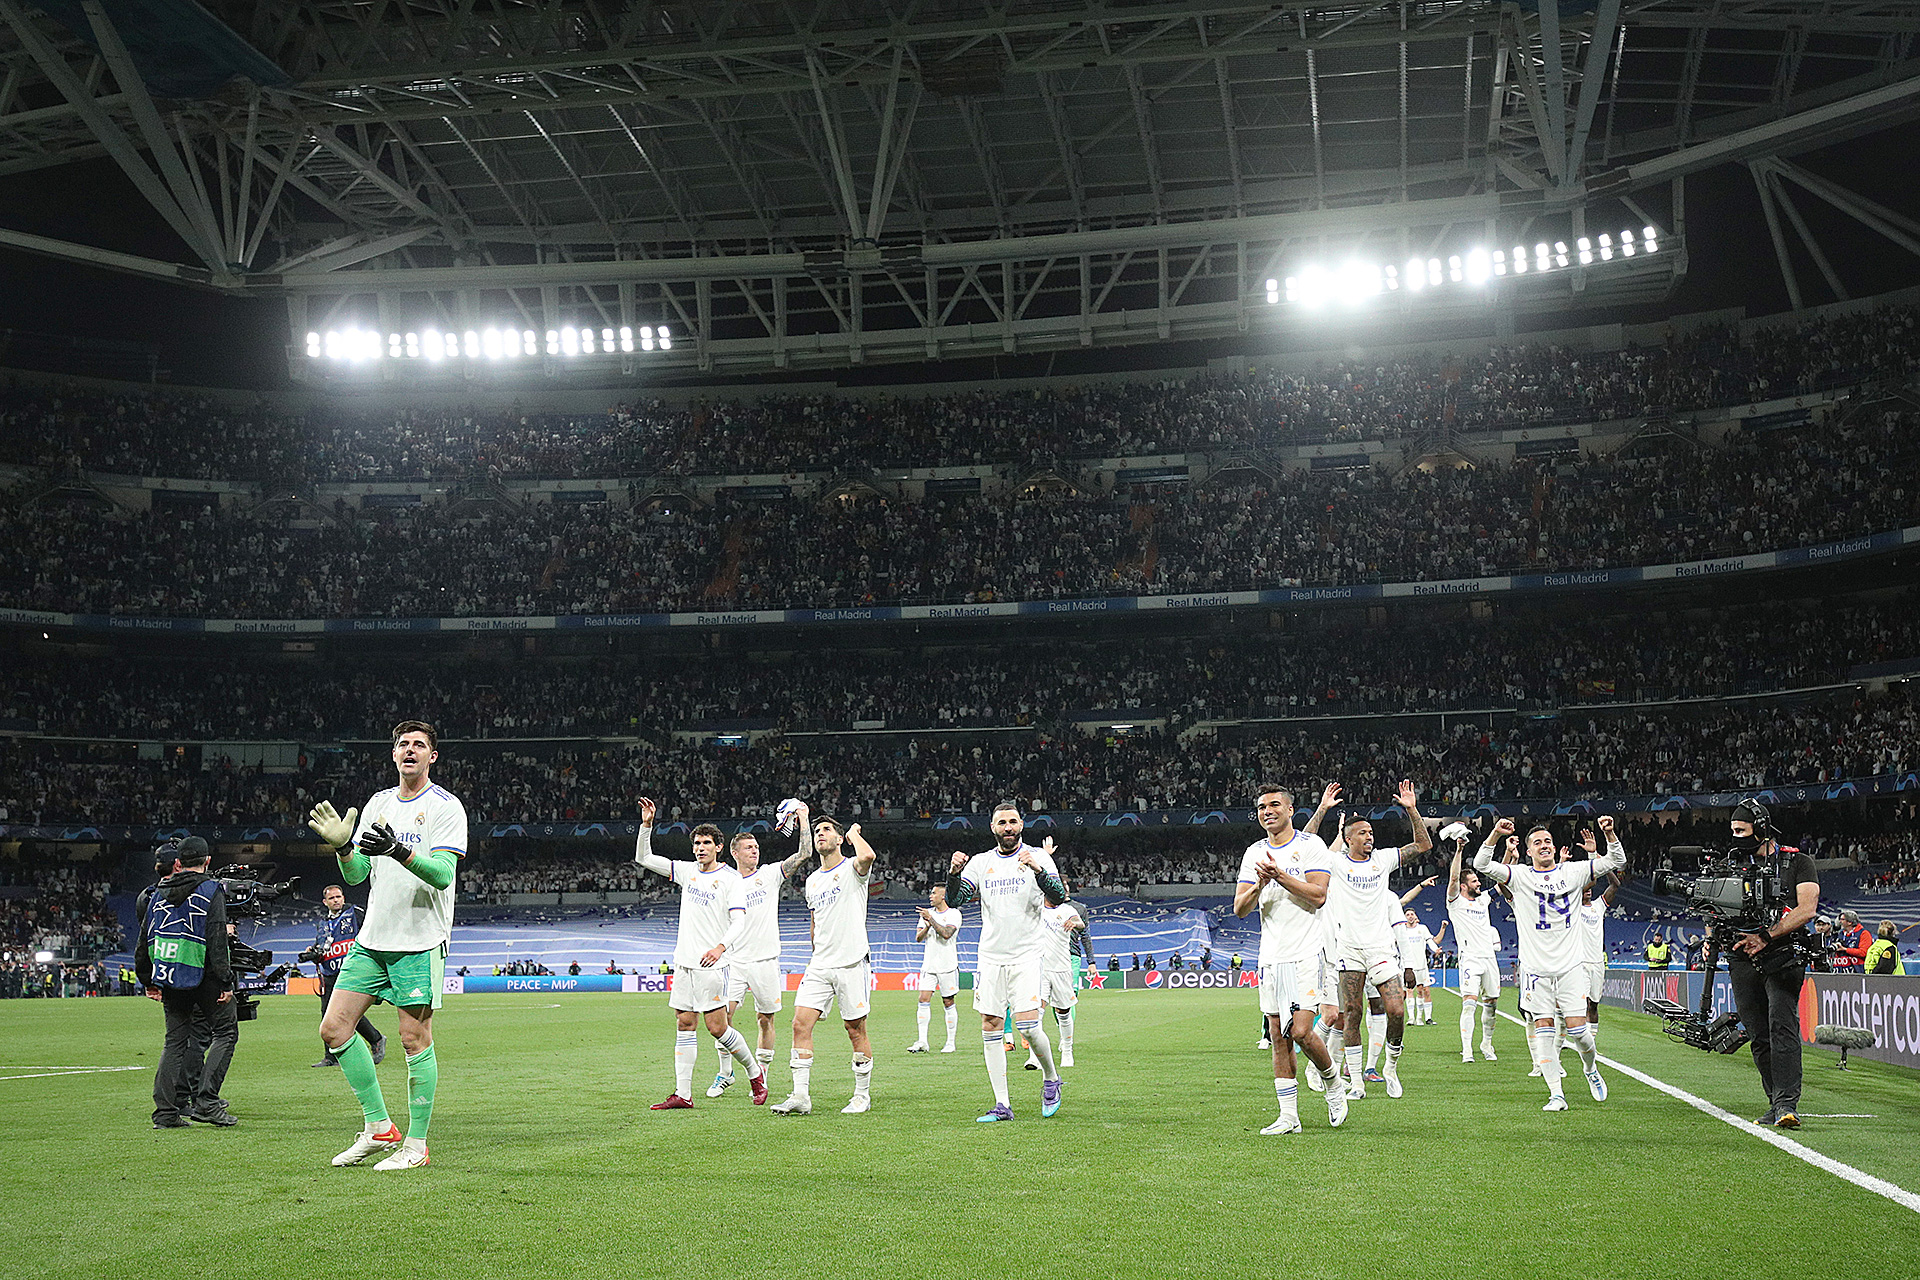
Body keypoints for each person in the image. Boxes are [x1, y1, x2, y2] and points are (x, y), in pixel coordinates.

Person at [305, 721, 466, 1171]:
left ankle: (416, 1145)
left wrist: (399, 850)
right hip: (373, 938)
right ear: (393, 755)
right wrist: (342, 849)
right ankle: (379, 1128)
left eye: (419, 745)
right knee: (334, 1028)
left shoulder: (446, 808)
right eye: (403, 745)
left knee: (414, 1040)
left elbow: (442, 875)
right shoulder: (378, 803)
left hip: (419, 939)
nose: (410, 751)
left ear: (432, 757)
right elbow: (357, 876)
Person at [1473, 816, 1625, 1112]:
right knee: (1543, 1027)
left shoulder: (1574, 871)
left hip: (1570, 968)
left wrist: (1609, 833)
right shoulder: (1520, 876)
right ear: (1528, 851)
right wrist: (1494, 833)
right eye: (1537, 842)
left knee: (1579, 1032)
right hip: (1535, 970)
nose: (1544, 845)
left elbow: (1617, 859)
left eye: (1547, 841)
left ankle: (1590, 1068)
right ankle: (1556, 1094)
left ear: (1554, 848)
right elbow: (1481, 863)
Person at [632, 804, 768, 1110]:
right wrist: (647, 826)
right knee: (684, 1023)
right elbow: (643, 858)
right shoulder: (687, 871)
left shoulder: (732, 880)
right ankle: (684, 1094)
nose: (700, 848)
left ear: (719, 847)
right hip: (685, 962)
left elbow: (740, 921)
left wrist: (720, 947)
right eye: (696, 843)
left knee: (717, 1028)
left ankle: (755, 1073)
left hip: (712, 964)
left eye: (706, 843)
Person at [1233, 784, 1348, 1135]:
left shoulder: (1309, 846)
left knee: (1300, 1031)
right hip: (1270, 957)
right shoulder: (1254, 852)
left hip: (1305, 953)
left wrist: (1279, 876)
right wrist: (1260, 884)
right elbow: (1239, 908)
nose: (1267, 811)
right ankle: (1288, 1117)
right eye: (1261, 807)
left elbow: (1319, 896)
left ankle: (1333, 1083)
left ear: (1289, 809)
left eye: (1274, 805)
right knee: (1277, 1036)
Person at [946, 802, 1068, 1121]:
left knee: (1028, 1026)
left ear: (1022, 825)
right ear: (993, 828)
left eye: (1013, 822)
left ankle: (1051, 1078)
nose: (1008, 827)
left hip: (1027, 954)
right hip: (990, 957)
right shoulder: (981, 862)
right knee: (991, 1026)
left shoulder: (1037, 857)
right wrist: (953, 875)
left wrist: (1039, 871)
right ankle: (1003, 1105)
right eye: (1002, 823)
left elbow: (1059, 896)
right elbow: (957, 900)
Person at [1323, 780, 1431, 1099]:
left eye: (1371, 832)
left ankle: (1390, 1067)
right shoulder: (1337, 863)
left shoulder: (1382, 860)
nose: (1369, 836)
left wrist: (1411, 809)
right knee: (1352, 1013)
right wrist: (1324, 810)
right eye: (1363, 832)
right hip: (1349, 950)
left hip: (1381, 949)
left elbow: (1423, 845)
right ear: (1347, 839)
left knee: (1397, 1010)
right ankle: (1356, 1082)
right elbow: (1307, 850)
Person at [771, 814, 879, 1115]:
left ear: (839, 838)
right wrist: (816, 949)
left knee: (855, 1029)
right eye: (817, 830)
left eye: (827, 830)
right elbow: (815, 919)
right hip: (820, 964)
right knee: (799, 1024)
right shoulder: (813, 880)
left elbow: (868, 855)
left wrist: (854, 832)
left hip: (851, 962)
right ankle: (800, 1096)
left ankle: (861, 1095)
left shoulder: (853, 868)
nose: (820, 834)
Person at [1722, 798, 1820, 1129]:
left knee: (1782, 1025)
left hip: (1783, 957)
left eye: (1741, 830)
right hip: (1742, 957)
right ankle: (1775, 1101)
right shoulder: (1733, 865)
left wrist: (1767, 935)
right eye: (1732, 831)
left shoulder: (1798, 862)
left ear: (1761, 829)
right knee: (1759, 1035)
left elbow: (1807, 910)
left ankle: (1787, 1103)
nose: (1736, 837)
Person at [135, 837, 239, 1129]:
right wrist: (225, 980)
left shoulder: (157, 892)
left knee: (174, 1042)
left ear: (177, 863)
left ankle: (166, 1113)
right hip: (203, 974)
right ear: (207, 861)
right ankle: (206, 1101)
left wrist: (147, 978)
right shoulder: (210, 889)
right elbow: (217, 937)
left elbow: (144, 938)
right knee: (226, 1032)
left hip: (170, 974)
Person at [708, 828, 809, 1098]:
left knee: (765, 1019)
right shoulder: (725, 881)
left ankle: (761, 1075)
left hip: (765, 960)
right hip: (733, 961)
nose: (755, 850)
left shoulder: (769, 874)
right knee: (723, 1017)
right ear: (734, 852)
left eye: (756, 846)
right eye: (749, 847)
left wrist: (803, 819)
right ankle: (726, 1071)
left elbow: (804, 853)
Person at [301, 885, 386, 1069]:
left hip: (350, 971)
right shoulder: (323, 922)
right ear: (325, 902)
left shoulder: (354, 913)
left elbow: (372, 929)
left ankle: (376, 1039)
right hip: (329, 973)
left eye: (338, 896)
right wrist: (312, 952)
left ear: (343, 897)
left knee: (346, 1013)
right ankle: (330, 1057)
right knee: (327, 1014)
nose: (336, 900)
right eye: (331, 898)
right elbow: (322, 946)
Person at [1576, 835, 1625, 1045]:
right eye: (1584, 889)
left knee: (1594, 1004)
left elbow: (1615, 885)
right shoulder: (1573, 908)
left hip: (1598, 962)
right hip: (1580, 962)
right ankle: (1583, 1041)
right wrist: (1591, 860)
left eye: (1589, 890)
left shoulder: (1598, 905)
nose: (1587, 892)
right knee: (1583, 1003)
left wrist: (1601, 862)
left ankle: (1592, 1042)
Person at [1036, 891, 1092, 1069]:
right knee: (1037, 1011)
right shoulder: (1035, 908)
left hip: (1062, 968)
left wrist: (1073, 922)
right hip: (1040, 968)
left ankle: (1067, 1051)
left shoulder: (1067, 909)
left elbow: (1081, 924)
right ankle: (1035, 1056)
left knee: (1063, 1011)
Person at [907, 883, 962, 1054]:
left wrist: (931, 919)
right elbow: (918, 938)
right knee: (923, 999)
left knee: (948, 1002)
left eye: (933, 893)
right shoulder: (927, 915)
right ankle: (922, 1041)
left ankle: (950, 1042)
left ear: (943, 896)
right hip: (929, 965)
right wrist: (927, 926)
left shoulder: (954, 914)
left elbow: (946, 934)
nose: (931, 896)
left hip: (948, 966)